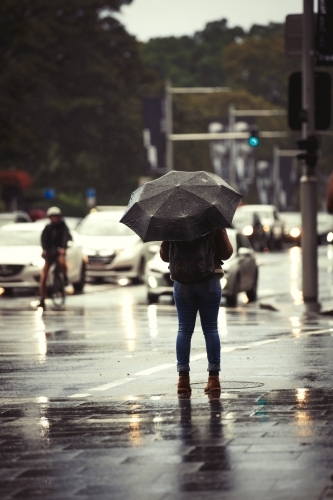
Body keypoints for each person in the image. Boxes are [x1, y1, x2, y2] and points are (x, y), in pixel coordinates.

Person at [160, 228, 233, 396]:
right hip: (209, 279)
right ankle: (213, 379)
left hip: (182, 282)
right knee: (211, 329)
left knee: (184, 329)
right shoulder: (212, 218)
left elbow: (164, 256)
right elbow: (226, 252)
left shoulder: (172, 221)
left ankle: (183, 380)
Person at [39, 207, 71, 310]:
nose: (54, 219)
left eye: (56, 217)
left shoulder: (63, 227)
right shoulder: (47, 228)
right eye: (52, 217)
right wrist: (44, 249)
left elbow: (65, 237)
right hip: (49, 253)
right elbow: (44, 240)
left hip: (58, 252)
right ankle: (42, 297)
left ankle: (65, 278)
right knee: (44, 275)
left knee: (62, 262)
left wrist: (63, 248)